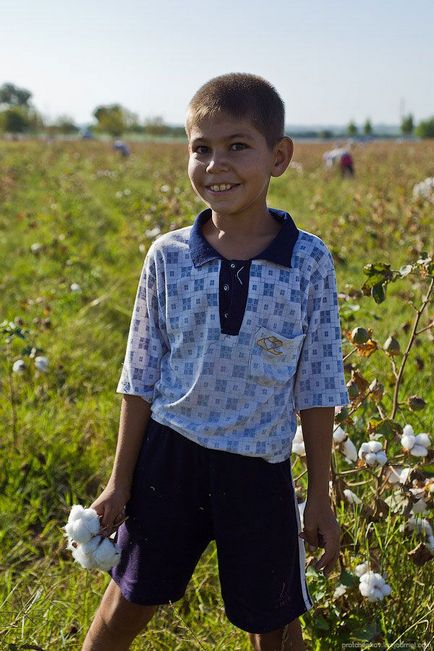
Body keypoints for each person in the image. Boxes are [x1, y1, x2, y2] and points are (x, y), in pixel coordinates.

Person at [81, 73, 349, 651]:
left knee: (274, 627)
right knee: (126, 604)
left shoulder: (308, 262)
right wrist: (119, 482)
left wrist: (321, 496)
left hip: (259, 468)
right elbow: (139, 377)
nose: (215, 164)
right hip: (169, 459)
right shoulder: (169, 257)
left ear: (279, 157)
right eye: (200, 148)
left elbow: (318, 385)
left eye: (237, 146)